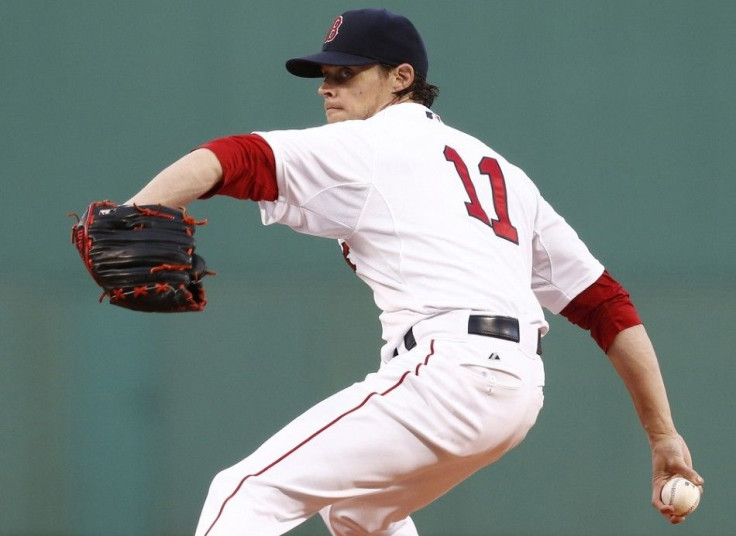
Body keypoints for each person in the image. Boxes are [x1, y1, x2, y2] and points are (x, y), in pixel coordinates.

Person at [125, 8, 703, 536]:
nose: (328, 85)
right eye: (324, 73)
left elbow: (234, 156)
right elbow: (606, 306)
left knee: (248, 490)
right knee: (359, 513)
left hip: (447, 373)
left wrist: (133, 215)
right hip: (514, 391)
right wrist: (663, 435)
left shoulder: (373, 143)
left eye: (347, 72)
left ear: (401, 77)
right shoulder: (500, 171)